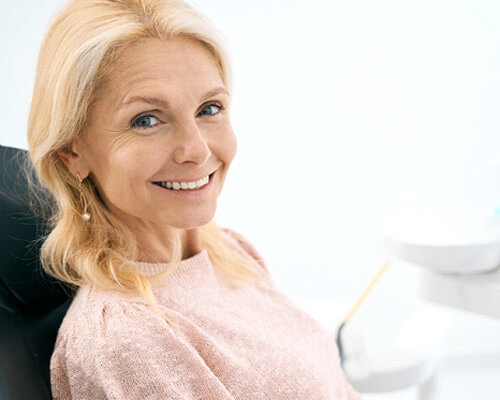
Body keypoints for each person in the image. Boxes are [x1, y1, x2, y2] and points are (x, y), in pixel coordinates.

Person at [26, 0, 364, 399]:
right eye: (146, 119)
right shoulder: (126, 340)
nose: (197, 150)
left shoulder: (229, 252)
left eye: (209, 109)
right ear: (72, 151)